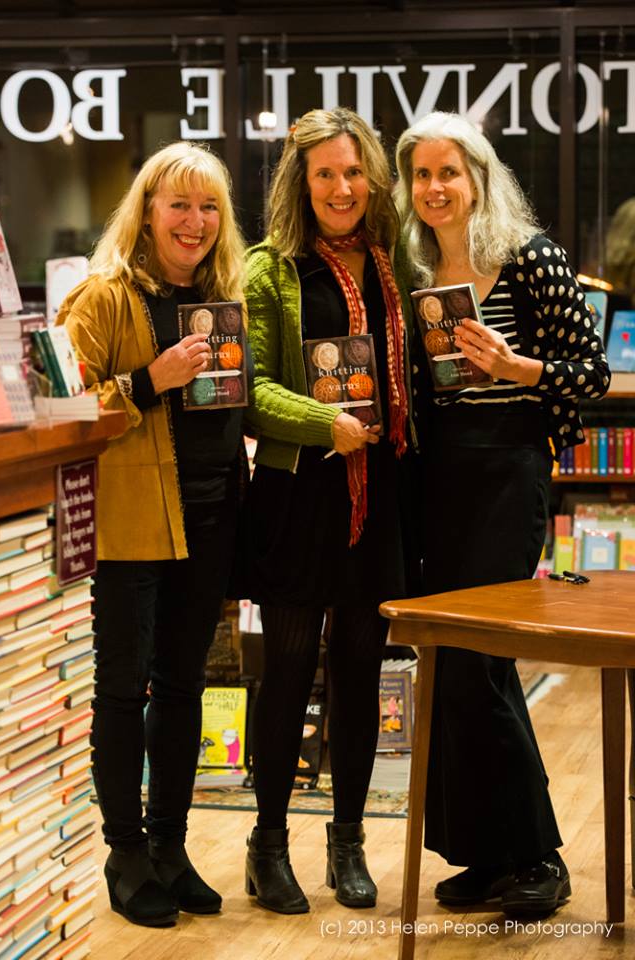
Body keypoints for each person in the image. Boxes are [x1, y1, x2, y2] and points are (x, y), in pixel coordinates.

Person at [394, 112, 611, 917]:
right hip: (438, 477)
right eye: (421, 174)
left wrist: (517, 366)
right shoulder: (415, 271)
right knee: (448, 663)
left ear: (479, 178)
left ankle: (538, 857)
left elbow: (589, 372)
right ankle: (485, 856)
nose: (435, 188)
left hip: (508, 470)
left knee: (483, 662)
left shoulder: (532, 259)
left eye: (449, 172)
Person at [57, 141, 247, 927]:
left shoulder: (222, 299)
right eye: (179, 204)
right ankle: (126, 853)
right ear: (147, 211)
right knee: (122, 690)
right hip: (134, 523)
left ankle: (170, 846)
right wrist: (147, 382)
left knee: (183, 686)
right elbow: (64, 413)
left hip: (210, 516)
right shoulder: (103, 297)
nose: (194, 221)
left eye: (209, 208)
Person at [243, 107, 418, 915]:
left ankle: (346, 841)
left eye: (353, 173)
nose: (341, 188)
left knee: (358, 671)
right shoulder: (270, 270)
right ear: (300, 183)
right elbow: (248, 392)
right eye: (325, 175)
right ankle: (267, 842)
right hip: (297, 497)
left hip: (378, 498)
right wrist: (328, 424)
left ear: (371, 178)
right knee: (283, 674)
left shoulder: (397, 267)